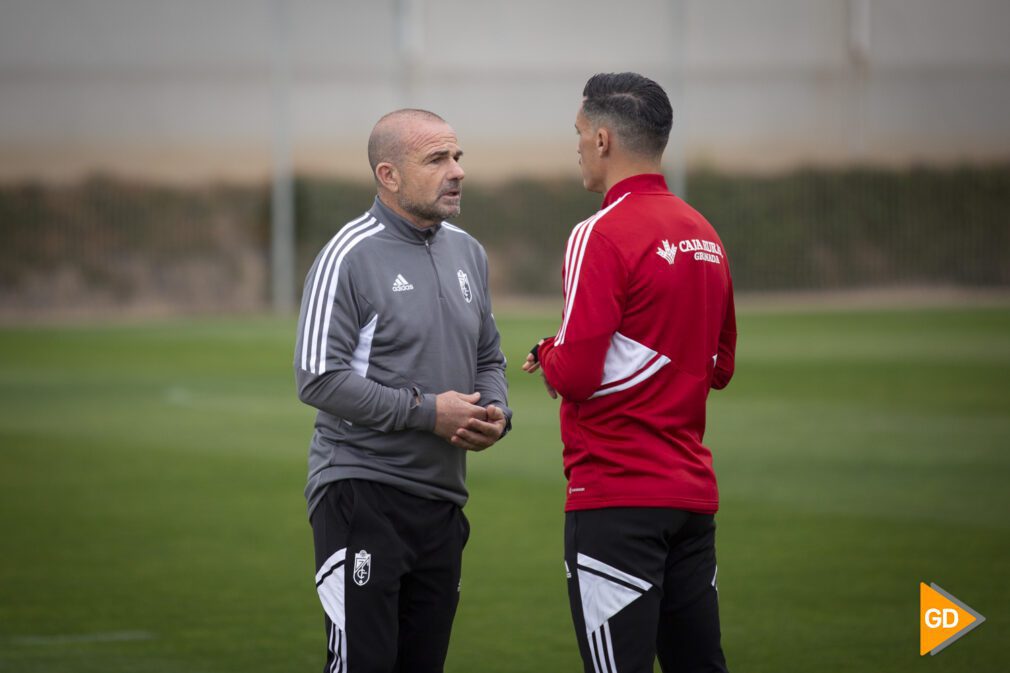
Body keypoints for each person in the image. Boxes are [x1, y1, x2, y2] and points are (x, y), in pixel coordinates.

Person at [522, 73, 737, 672]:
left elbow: (578, 374)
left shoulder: (599, 233)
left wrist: (546, 350)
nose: (577, 147)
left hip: (616, 497)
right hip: (692, 498)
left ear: (603, 138)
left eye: (578, 134)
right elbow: (719, 367)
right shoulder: (705, 234)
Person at [294, 108, 511, 673]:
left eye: (457, 156)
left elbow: (489, 356)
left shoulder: (468, 251)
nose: (457, 171)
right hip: (362, 492)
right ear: (388, 176)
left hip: (442, 501)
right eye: (437, 159)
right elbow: (318, 377)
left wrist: (495, 410)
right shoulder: (348, 255)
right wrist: (427, 413)